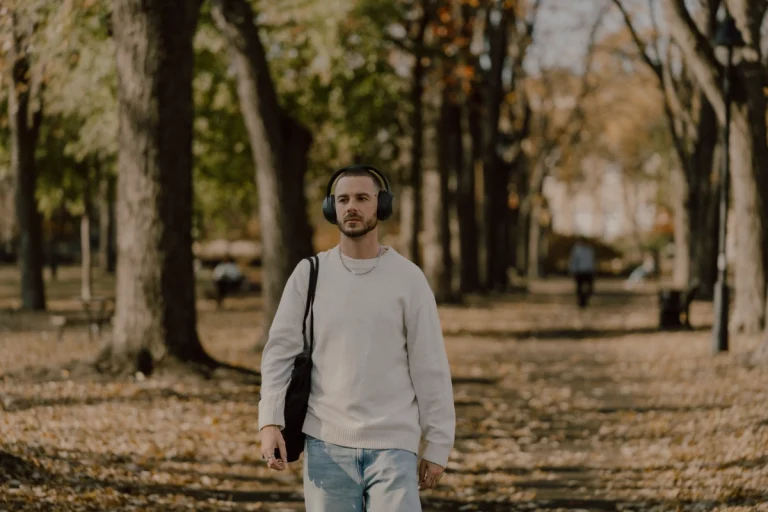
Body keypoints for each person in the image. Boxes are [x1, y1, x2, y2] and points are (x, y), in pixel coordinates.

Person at [258, 164, 456, 511]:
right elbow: (279, 353)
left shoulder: (408, 279)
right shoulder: (310, 274)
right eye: (343, 199)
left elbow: (430, 366)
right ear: (331, 208)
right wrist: (270, 421)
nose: (352, 206)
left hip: (395, 445)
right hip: (326, 444)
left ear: (381, 206)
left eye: (362, 198)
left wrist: (438, 444)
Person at [568, 236, 596, 308]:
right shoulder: (576, 250)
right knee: (579, 288)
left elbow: (592, 260)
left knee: (590, 288)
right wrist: (573, 270)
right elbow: (573, 261)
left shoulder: (589, 249)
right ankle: (581, 302)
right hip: (579, 271)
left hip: (588, 271)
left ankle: (584, 299)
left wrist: (593, 270)